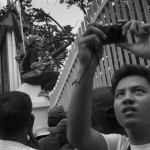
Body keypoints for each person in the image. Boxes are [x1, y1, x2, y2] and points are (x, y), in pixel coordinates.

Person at [67, 20, 150, 150]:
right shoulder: (118, 145)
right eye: (120, 94)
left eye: (138, 91)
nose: (127, 98)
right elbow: (78, 137)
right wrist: (86, 67)